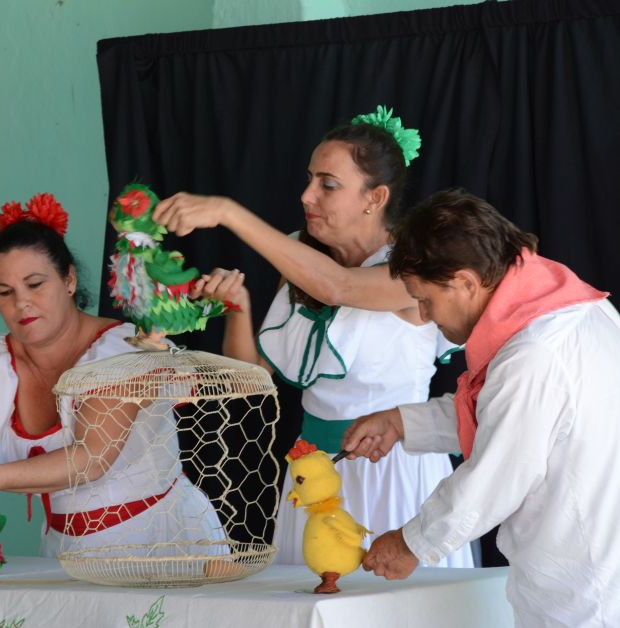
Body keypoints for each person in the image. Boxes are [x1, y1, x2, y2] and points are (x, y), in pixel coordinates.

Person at [152, 107, 473, 567]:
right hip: (315, 473)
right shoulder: (304, 257)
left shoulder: (413, 268)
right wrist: (237, 307)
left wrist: (226, 211)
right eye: (309, 179)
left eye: (328, 184)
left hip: (394, 473)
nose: (307, 195)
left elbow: (339, 288)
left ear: (374, 197)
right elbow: (253, 381)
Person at [0, 194, 225, 557]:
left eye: (35, 284)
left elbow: (90, 458)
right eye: (5, 292)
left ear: (69, 280)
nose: (21, 302)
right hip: (68, 549)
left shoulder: (122, 348)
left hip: (163, 541)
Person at [344, 188, 620, 627]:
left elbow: (495, 476)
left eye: (426, 299)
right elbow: (511, 419)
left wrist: (410, 542)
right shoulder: (572, 309)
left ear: (467, 282)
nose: (425, 313)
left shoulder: (533, 354)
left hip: (582, 598)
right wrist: (400, 422)